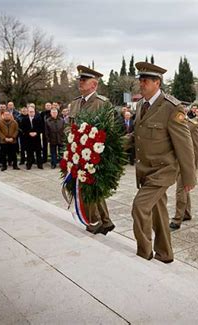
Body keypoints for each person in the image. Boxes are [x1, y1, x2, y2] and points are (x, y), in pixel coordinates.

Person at [131, 61, 196, 263]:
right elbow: (137, 136)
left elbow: (185, 145)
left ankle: (144, 253)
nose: (141, 84)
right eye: (140, 80)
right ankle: (165, 254)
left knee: (139, 207)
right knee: (159, 213)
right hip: (145, 170)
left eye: (145, 81)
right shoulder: (142, 104)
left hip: (163, 171)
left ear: (157, 83)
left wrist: (189, 178)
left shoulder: (171, 108)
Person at [68, 65, 115, 235]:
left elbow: (107, 131)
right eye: (80, 80)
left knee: (90, 188)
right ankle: (105, 221)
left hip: (94, 154)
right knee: (88, 187)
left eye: (84, 80)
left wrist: (98, 151)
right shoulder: (74, 103)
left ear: (94, 85)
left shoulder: (102, 104)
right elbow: (70, 127)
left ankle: (94, 222)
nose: (80, 82)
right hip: (77, 154)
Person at [169, 107, 198, 230]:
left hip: (186, 163)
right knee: (184, 189)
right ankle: (186, 213)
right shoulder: (173, 122)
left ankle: (177, 219)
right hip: (175, 162)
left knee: (180, 190)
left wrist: (192, 166)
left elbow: (197, 147)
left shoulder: (193, 125)